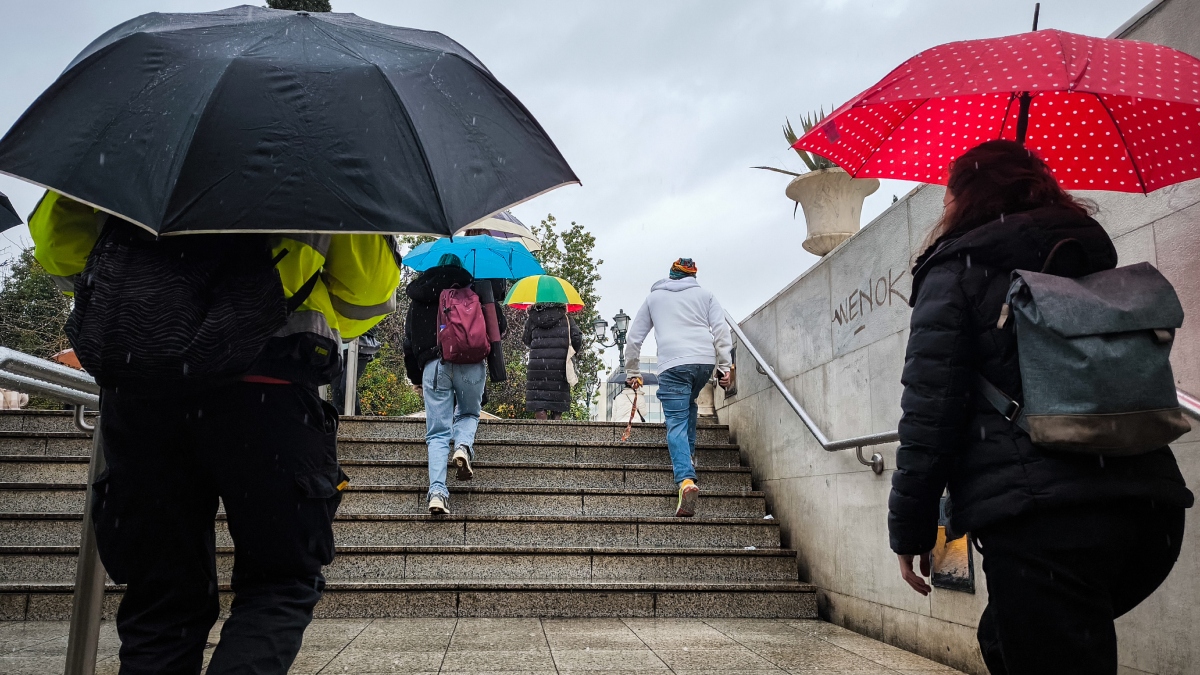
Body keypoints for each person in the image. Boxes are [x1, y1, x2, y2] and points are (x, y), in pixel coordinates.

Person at [28, 191, 402, 674]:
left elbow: (59, 253)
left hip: (145, 390)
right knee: (279, 582)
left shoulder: (131, 133)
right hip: (268, 387)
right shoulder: (324, 160)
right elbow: (366, 294)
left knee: (161, 602)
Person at [888, 140, 1193, 674]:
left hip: (1043, 524)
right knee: (1009, 639)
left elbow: (929, 415)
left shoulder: (955, 271)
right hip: (1151, 512)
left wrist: (910, 531)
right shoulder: (1087, 258)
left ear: (963, 197)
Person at [625, 258, 733, 517]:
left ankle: (685, 479)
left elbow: (633, 337)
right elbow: (721, 330)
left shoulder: (655, 298)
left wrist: (632, 371)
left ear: (671, 276)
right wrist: (725, 367)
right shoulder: (706, 295)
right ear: (693, 276)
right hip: (703, 362)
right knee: (689, 404)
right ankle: (690, 456)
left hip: (673, 364)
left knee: (675, 421)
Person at [402, 253, 499, 514]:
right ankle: (464, 446)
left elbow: (409, 343)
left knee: (437, 433)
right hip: (471, 363)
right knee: (468, 413)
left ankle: (437, 492)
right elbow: (497, 326)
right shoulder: (474, 290)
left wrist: (415, 376)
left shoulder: (420, 296)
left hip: (434, 365)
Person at [523, 302, 583, 420]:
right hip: (559, 365)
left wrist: (538, 347)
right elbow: (577, 339)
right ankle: (556, 431)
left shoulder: (533, 318)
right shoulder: (566, 319)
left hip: (538, 366)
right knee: (557, 404)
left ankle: (542, 434)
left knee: (539, 404)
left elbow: (526, 339)